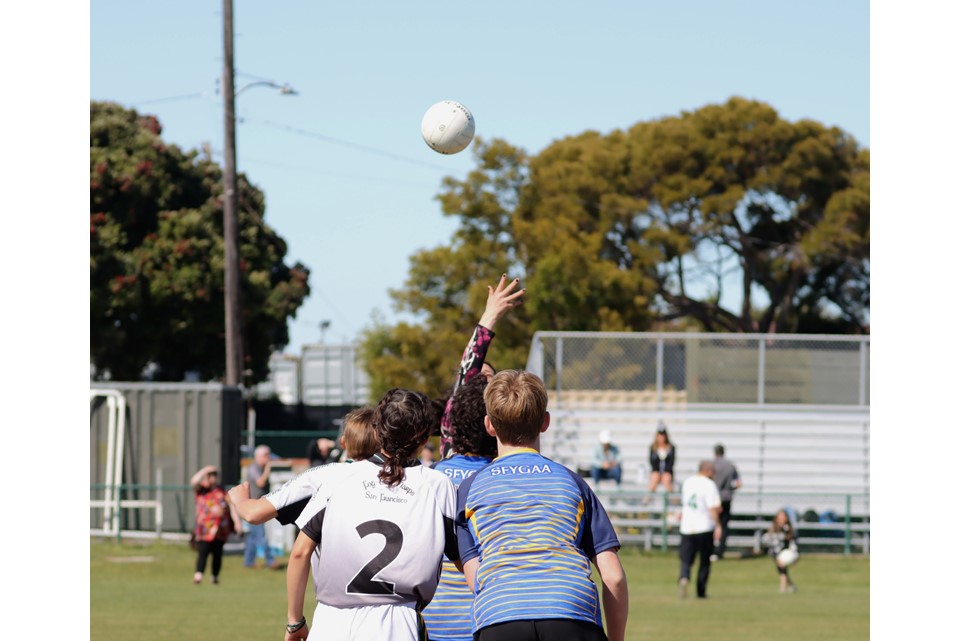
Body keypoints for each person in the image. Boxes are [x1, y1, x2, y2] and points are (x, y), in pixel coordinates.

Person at [455, 370, 628, 641]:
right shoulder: (573, 483)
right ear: (545, 422)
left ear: (489, 425)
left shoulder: (469, 489)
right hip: (571, 610)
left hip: (500, 614)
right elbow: (613, 576)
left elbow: (474, 577)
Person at [283, 388, 459, 641]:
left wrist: (294, 621)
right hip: (397, 621)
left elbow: (300, 552)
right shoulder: (437, 485)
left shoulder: (337, 477)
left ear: (376, 431)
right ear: (423, 440)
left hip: (331, 621)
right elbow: (463, 558)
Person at [421, 377, 499, 641]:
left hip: (432, 620)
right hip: (486, 617)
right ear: (493, 425)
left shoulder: (428, 478)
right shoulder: (498, 480)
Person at [229, 407, 377, 526]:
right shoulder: (396, 476)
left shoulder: (322, 476)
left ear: (343, 442)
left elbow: (253, 513)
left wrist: (241, 500)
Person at [439, 273, 524, 459]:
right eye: (476, 375)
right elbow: (467, 370)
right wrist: (490, 316)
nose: (480, 378)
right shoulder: (452, 419)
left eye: (487, 376)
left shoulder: (507, 424)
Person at [190, 464, 242, 585]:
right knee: (203, 551)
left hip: (220, 528)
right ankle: (198, 575)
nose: (213, 478)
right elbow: (193, 481)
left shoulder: (221, 491)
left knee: (217, 554)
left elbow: (231, 507)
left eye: (214, 475)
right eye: (210, 476)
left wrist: (237, 522)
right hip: (205, 528)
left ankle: (215, 576)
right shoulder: (202, 490)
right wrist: (205, 470)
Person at [677, 460, 722, 599]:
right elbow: (712, 508)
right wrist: (718, 525)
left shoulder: (688, 482)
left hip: (687, 526)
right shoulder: (709, 485)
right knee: (704, 561)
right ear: (708, 471)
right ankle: (701, 591)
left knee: (686, 558)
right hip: (704, 526)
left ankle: (684, 577)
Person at [243, 445, 280, 569]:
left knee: (253, 536)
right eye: (266, 456)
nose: (268, 458)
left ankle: (248, 562)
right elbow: (260, 482)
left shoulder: (260, 468)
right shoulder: (254, 468)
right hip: (254, 507)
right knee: (260, 535)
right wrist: (268, 469)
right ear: (258, 457)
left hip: (257, 506)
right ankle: (270, 560)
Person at [710, 443, 742, 560]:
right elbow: (738, 483)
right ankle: (719, 551)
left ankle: (710, 549)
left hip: (713, 499)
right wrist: (729, 488)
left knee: (712, 524)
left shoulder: (711, 465)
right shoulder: (730, 466)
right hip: (726, 498)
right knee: (723, 525)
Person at [761, 509, 799, 593]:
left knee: (782, 569)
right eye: (780, 517)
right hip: (775, 552)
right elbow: (767, 538)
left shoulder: (788, 528)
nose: (781, 518)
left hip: (786, 552)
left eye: (783, 516)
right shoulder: (773, 527)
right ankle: (791, 585)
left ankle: (783, 588)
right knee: (782, 570)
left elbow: (792, 542)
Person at [648, 422, 676, 493]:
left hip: (667, 472)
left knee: (666, 478)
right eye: (660, 435)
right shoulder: (653, 447)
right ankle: (647, 500)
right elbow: (651, 462)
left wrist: (664, 472)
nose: (661, 437)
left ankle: (673, 501)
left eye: (663, 435)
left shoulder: (671, 447)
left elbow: (671, 462)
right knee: (655, 476)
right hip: (656, 472)